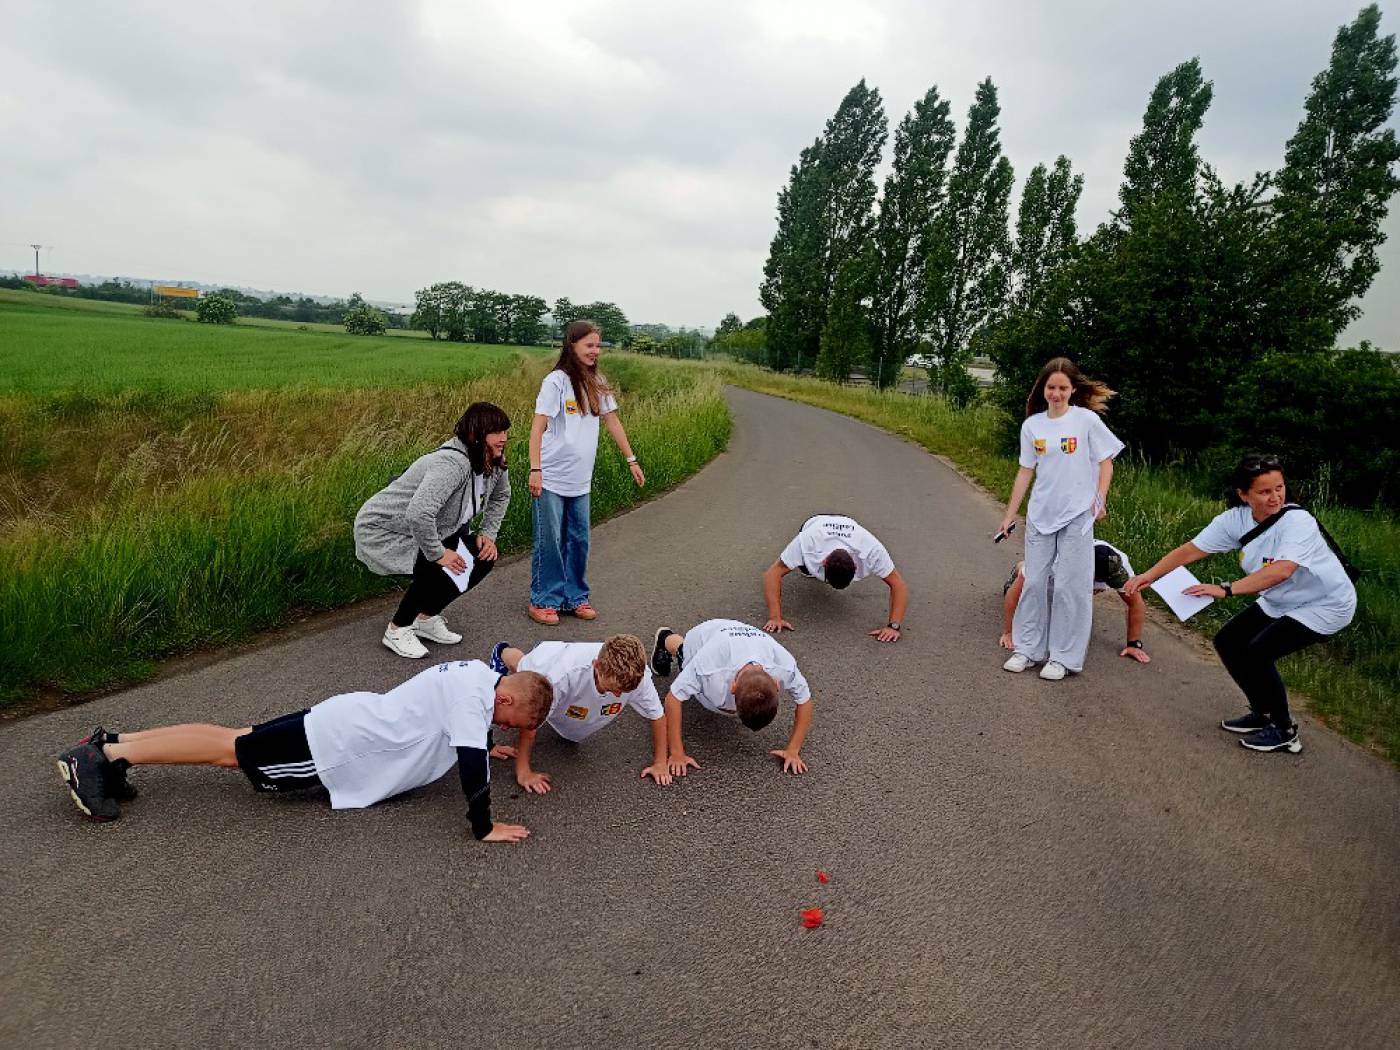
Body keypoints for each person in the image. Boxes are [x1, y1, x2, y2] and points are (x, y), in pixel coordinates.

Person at [56, 661, 553, 841]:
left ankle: (112, 747)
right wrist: (484, 826)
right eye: (508, 723)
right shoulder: (474, 703)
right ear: (506, 700)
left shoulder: (477, 676)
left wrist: (488, 744)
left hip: (342, 719)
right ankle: (102, 759)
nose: (503, 727)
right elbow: (470, 767)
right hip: (336, 746)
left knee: (232, 738)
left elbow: (456, 723)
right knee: (228, 751)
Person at [1122, 453, 1357, 754]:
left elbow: (1282, 570)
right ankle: (1263, 713)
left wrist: (1227, 590)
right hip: (1282, 599)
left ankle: (1284, 730)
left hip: (1325, 603)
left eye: (1280, 488)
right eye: (1265, 491)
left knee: (1260, 651)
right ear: (1244, 495)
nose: (1275, 497)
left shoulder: (1298, 521)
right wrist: (1149, 575)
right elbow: (1191, 551)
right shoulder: (1235, 520)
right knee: (1228, 641)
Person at [998, 357, 1124, 681]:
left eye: (1062, 388)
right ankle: (1028, 649)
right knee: (1034, 582)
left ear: (1073, 390)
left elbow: (1106, 462)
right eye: (1050, 387)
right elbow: (1025, 472)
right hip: (1041, 514)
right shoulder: (1033, 426)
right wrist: (1010, 515)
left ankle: (1063, 657)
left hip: (1077, 515)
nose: (1056, 394)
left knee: (1070, 586)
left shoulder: (1086, 421)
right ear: (1043, 389)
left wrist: (1099, 499)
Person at [354, 402, 513, 659]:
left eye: (505, 431)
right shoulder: (452, 464)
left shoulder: (492, 461)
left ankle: (425, 618)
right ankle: (397, 629)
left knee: (482, 557)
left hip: (425, 528)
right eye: (496, 432)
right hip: (383, 529)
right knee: (435, 562)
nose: (503, 438)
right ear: (476, 433)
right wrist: (439, 553)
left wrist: (488, 534)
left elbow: (501, 495)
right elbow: (419, 514)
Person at [527, 321, 645, 626]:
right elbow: (537, 427)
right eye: (589, 345)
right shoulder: (556, 381)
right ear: (572, 345)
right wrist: (535, 469)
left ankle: (574, 597)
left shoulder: (597, 382)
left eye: (597, 346)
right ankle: (544, 599)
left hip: (580, 480)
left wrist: (631, 459)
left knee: (579, 540)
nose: (595, 351)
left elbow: (612, 421)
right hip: (551, 476)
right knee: (550, 540)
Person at [485, 635, 671, 791]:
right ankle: (502, 652)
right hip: (544, 665)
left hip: (567, 674)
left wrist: (660, 763)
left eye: (624, 692)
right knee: (521, 667)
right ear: (596, 665)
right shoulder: (557, 678)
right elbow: (530, 724)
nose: (617, 696)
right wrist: (523, 771)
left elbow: (657, 716)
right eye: (612, 689)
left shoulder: (638, 676)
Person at [650, 619, 813, 776]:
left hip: (740, 638)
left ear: (776, 683)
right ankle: (665, 637)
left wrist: (793, 750)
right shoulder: (708, 666)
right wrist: (677, 753)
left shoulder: (784, 665)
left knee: (722, 701)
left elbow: (805, 700)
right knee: (681, 653)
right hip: (703, 637)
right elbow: (673, 698)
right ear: (732, 687)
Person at [762, 514, 909, 643]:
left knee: (801, 562)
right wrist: (775, 617)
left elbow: (898, 584)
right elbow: (773, 573)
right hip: (814, 523)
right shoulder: (807, 541)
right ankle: (808, 569)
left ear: (856, 566)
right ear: (824, 562)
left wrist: (893, 626)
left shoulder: (871, 550)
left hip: (849, 525)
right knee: (803, 567)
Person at [1000, 540, 1150, 664]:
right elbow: (1018, 589)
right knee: (1029, 582)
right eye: (1103, 579)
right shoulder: (1056, 562)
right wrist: (1009, 632)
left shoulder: (1118, 563)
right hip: (1059, 573)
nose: (1109, 582)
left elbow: (1135, 603)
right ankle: (1018, 568)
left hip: (1080, 577)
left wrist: (1134, 644)